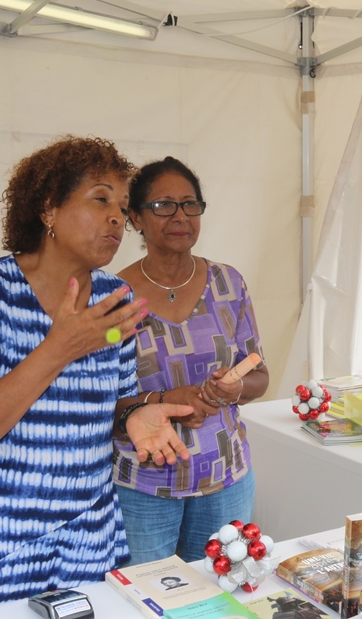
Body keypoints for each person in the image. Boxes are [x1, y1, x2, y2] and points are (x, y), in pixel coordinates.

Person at [0, 136, 193, 612]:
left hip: (86, 546)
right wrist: (58, 348)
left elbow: (112, 402)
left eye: (122, 207)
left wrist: (134, 414)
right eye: (100, 199)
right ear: (49, 209)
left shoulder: (115, 299)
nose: (116, 218)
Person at [114, 156, 270, 564]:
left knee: (222, 591)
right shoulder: (113, 297)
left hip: (225, 478)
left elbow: (259, 373)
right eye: (163, 205)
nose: (180, 216)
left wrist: (236, 387)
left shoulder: (228, 283)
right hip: (143, 484)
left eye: (189, 204)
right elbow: (94, 400)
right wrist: (165, 400)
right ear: (135, 217)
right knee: (145, 594)